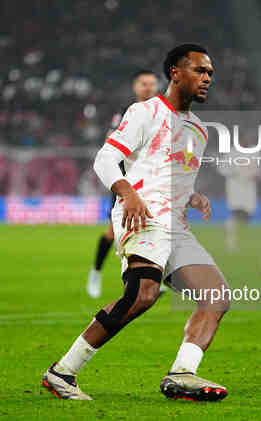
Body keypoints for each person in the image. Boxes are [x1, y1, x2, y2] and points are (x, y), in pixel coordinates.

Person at [42, 44, 230, 401]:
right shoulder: (145, 112)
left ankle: (182, 374)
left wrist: (191, 196)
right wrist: (127, 193)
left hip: (175, 223)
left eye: (210, 73)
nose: (207, 78)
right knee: (142, 294)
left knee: (216, 296)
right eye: (199, 70)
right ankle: (62, 372)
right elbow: (106, 159)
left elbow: (174, 176)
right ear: (175, 73)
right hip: (141, 212)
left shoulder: (200, 131)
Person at [87, 70, 160, 299]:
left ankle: (155, 277)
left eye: (151, 83)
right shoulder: (126, 114)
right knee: (114, 233)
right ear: (135, 87)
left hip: (153, 183)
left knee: (157, 229)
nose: (148, 87)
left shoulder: (163, 114)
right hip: (126, 183)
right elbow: (111, 143)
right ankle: (96, 272)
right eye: (143, 83)